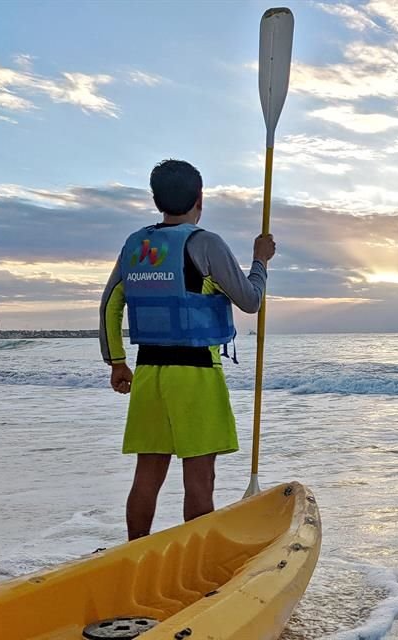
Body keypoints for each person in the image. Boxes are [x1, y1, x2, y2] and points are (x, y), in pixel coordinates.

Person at [99, 159, 275, 540]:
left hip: (148, 374)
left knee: (148, 473)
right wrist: (260, 260)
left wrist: (116, 362)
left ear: (155, 198)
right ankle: (195, 563)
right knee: (199, 478)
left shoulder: (136, 244)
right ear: (200, 198)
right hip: (195, 375)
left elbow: (111, 303)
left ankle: (134, 554)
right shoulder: (205, 243)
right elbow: (250, 300)